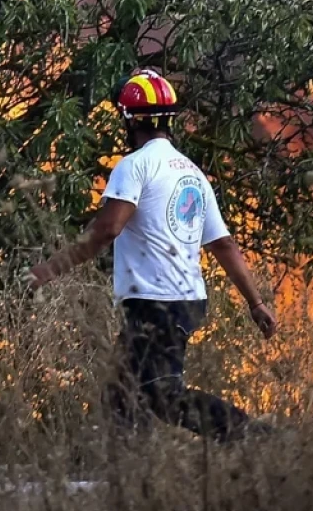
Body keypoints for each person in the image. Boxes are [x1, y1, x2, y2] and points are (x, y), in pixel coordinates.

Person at [24, 69, 277, 442]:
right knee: (122, 395)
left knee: (163, 395)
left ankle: (252, 435)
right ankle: (130, 479)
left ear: (129, 120)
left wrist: (49, 268)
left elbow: (107, 229)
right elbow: (223, 244)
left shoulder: (135, 166)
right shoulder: (192, 173)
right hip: (186, 300)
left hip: (156, 302)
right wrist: (255, 303)